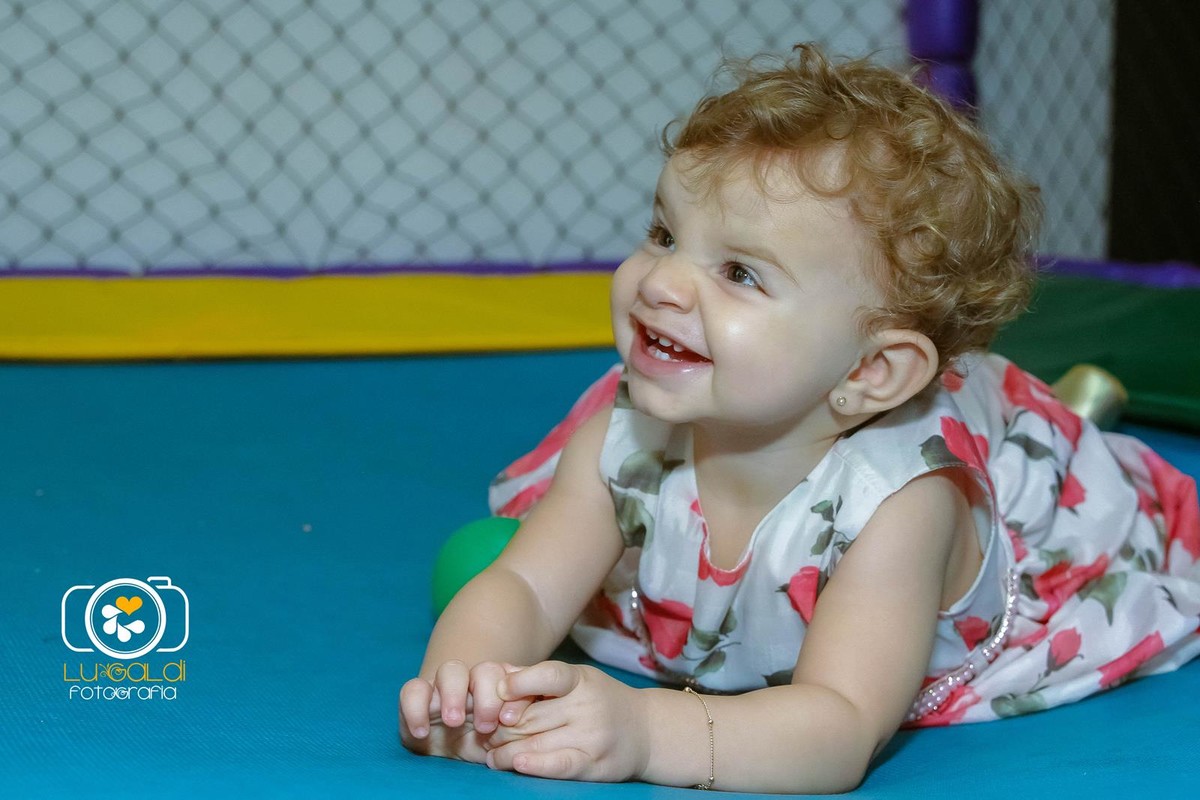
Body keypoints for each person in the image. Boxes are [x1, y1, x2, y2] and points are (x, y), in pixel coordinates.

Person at [398, 43, 1200, 793]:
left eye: (740, 272)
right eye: (664, 234)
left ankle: (1076, 411)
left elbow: (838, 724)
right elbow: (527, 588)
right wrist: (466, 688)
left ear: (869, 371)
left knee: (1084, 481)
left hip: (1009, 512)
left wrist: (644, 728)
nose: (662, 283)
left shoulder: (900, 506)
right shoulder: (630, 433)